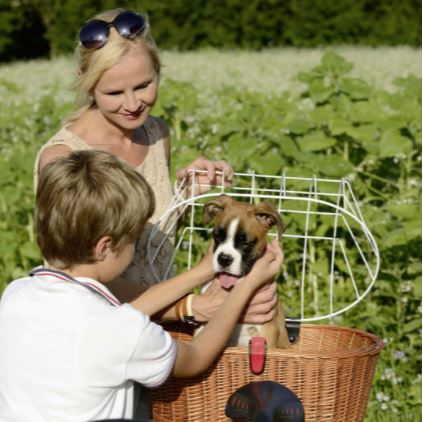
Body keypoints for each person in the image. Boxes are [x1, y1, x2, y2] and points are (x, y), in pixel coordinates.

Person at [33, 8, 278, 328]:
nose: (133, 104)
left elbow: (151, 235)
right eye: (114, 93)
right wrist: (189, 307)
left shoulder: (156, 133)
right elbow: (75, 279)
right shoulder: (63, 159)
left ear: (159, 71)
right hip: (101, 332)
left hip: (162, 326)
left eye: (144, 85)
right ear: (86, 83)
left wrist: (187, 196)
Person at [0, 150, 283, 421]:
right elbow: (196, 357)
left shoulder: (16, 294)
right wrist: (247, 286)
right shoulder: (125, 332)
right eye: (134, 239)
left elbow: (116, 314)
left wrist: (202, 271)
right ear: (104, 248)